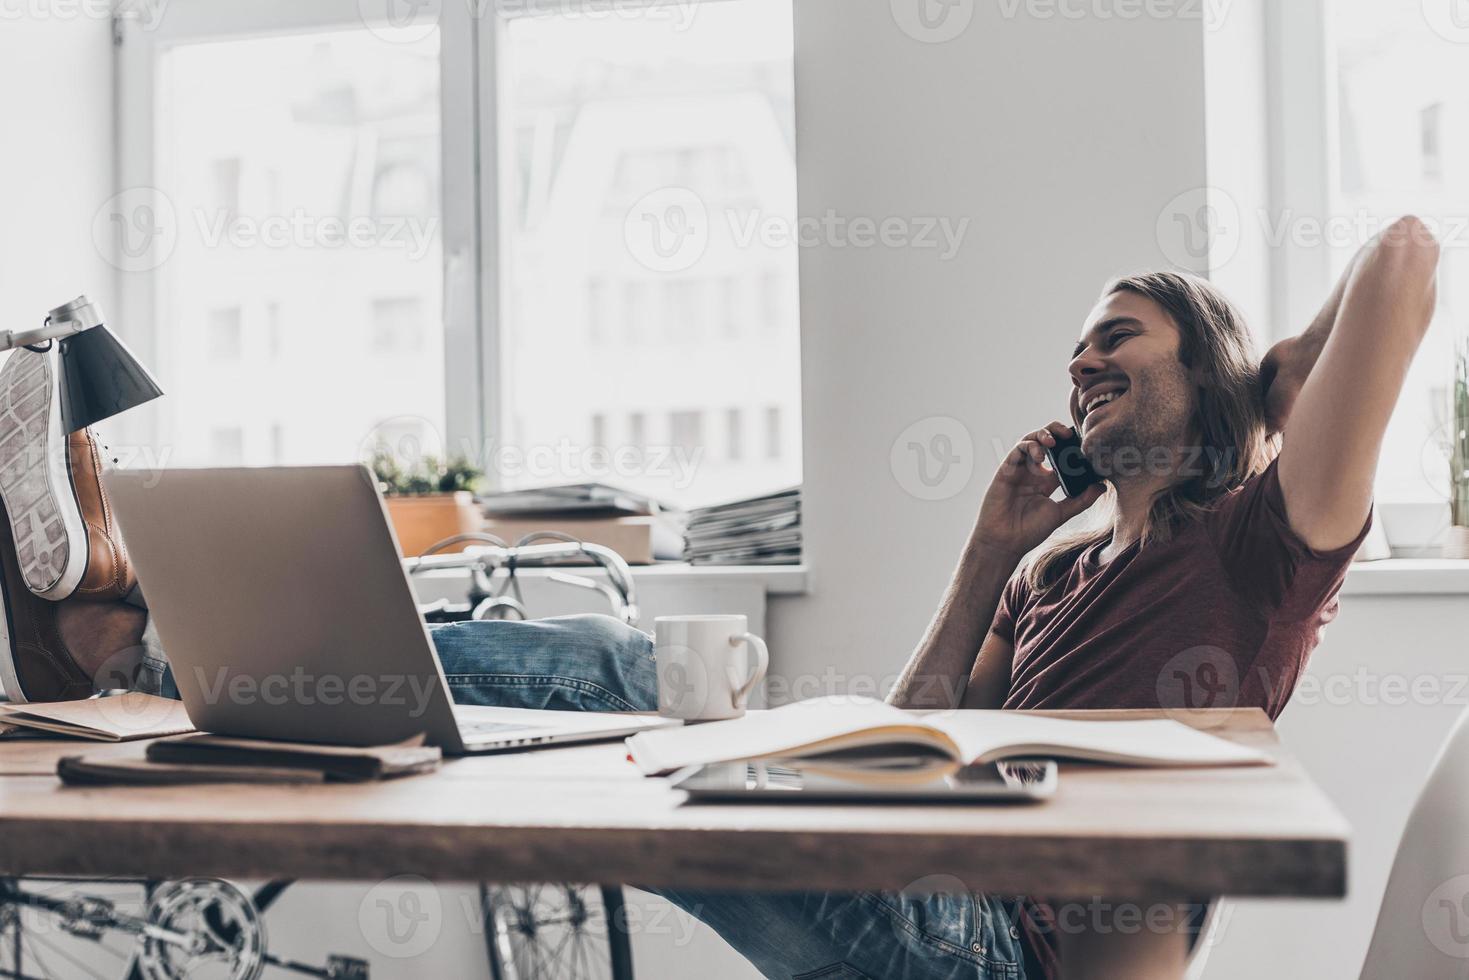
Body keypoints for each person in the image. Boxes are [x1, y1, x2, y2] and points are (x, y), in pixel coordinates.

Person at [0, 216, 1440, 979]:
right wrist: (988, 556)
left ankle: (126, 627)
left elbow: (1401, 262)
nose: (1077, 364)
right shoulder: (1062, 570)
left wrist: (1248, 397)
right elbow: (915, 734)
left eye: (1114, 340)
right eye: (1072, 347)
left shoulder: (1259, 546)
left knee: (677, 749)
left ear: (1212, 365)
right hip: (925, 894)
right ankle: (133, 640)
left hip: (999, 954)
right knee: (634, 675)